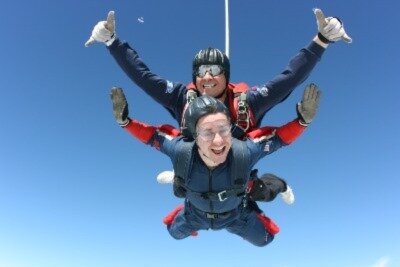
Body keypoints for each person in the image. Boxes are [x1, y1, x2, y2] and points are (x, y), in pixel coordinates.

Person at [110, 83, 321, 247]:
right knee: (173, 233)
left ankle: (277, 183)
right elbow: (152, 136)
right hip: (195, 214)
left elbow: (278, 139)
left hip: (236, 215)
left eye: (223, 129)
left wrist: (303, 121)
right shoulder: (180, 150)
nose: (219, 141)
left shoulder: (244, 151)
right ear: (193, 136)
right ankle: (182, 180)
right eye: (207, 132)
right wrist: (124, 122)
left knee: (265, 239)